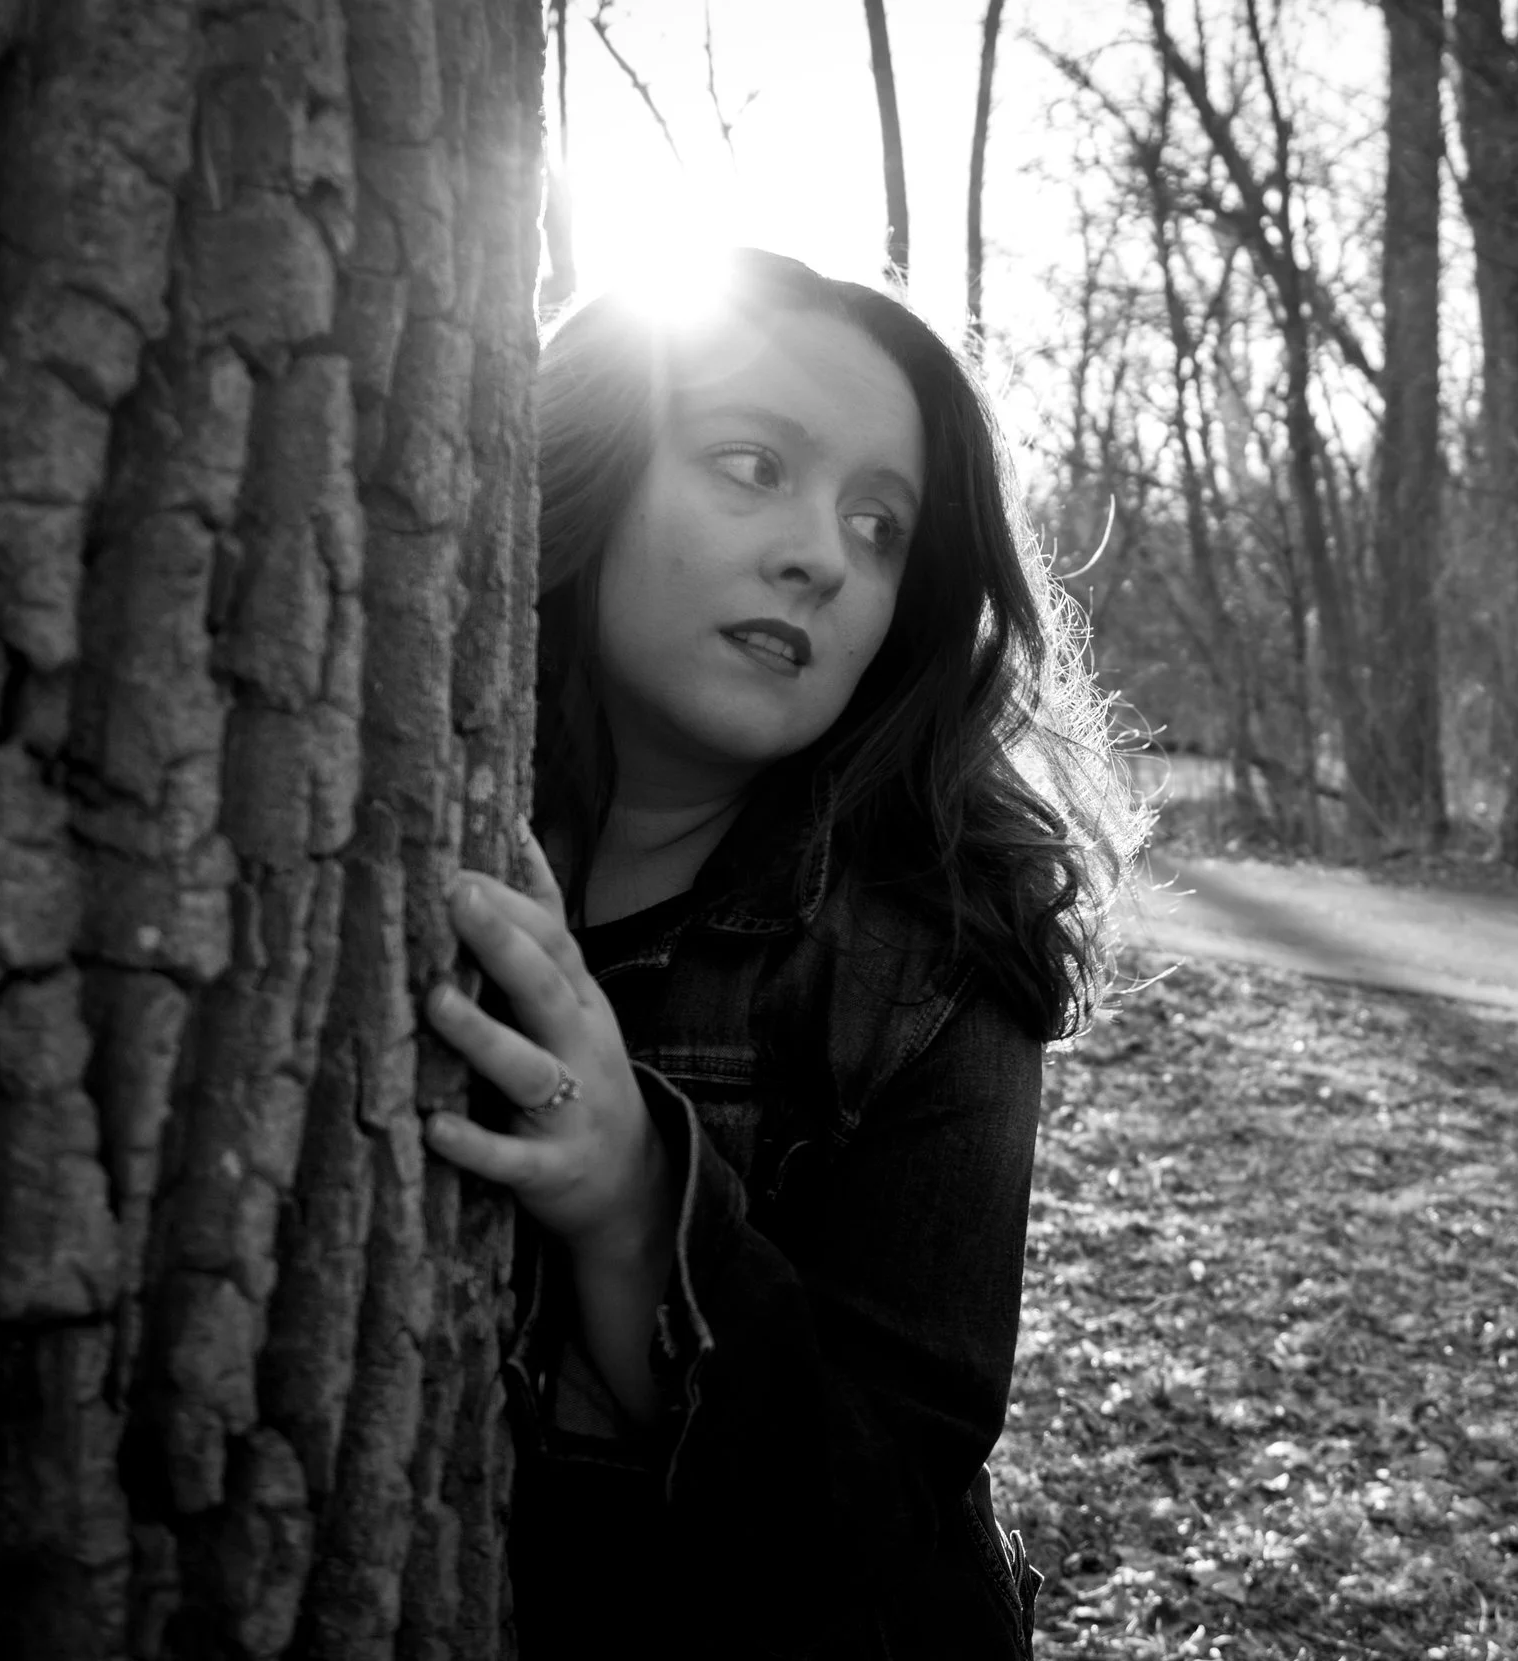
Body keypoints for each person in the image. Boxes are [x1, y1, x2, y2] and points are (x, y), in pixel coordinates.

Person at [417, 249, 1144, 1658]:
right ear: (590, 466)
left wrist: (642, 1215)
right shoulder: (362, 815)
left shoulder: (934, 965)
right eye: (752, 463)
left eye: (880, 525)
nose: (824, 552)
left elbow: (887, 1548)